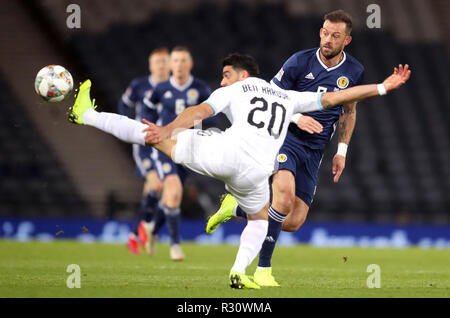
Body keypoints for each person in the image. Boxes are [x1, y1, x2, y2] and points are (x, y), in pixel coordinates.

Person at [67, 54, 410, 288]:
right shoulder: (288, 97)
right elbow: (339, 99)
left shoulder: (236, 88)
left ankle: (86, 115)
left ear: (243, 75)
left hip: (222, 155)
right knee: (263, 220)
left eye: (227, 73)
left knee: (150, 135)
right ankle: (238, 270)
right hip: (254, 173)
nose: (222, 78)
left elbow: (200, 110)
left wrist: (168, 130)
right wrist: (383, 87)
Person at [206, 9, 364, 286]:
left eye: (335, 36)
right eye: (325, 32)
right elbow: (269, 97)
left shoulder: (354, 71)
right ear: (320, 32)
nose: (328, 39)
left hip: (315, 151)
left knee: (293, 221)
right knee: (283, 198)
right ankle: (263, 269)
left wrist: (341, 151)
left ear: (346, 41)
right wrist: (297, 116)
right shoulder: (298, 62)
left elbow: (348, 111)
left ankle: (236, 208)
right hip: (286, 139)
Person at [141, 46, 213, 261]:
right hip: (165, 146)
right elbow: (146, 110)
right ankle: (175, 245)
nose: (179, 65)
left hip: (187, 149)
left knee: (173, 198)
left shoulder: (200, 88)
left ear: (189, 64)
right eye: (176, 61)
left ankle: (152, 231)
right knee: (172, 192)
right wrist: (151, 129)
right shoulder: (161, 88)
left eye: (183, 61)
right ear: (171, 65)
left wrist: (201, 131)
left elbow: (211, 114)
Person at [118, 47, 170, 255]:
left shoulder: (174, 87)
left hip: (166, 142)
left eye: (164, 62)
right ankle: (144, 233)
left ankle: (137, 234)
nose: (161, 65)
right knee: (156, 185)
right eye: (157, 62)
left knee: (162, 194)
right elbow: (124, 104)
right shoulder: (139, 86)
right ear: (151, 66)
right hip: (144, 144)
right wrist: (130, 127)